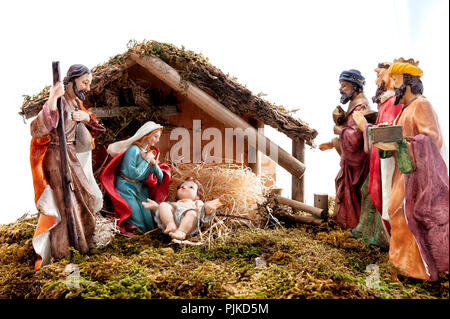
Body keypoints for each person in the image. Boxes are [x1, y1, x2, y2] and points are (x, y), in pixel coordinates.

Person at [374, 58, 448, 281]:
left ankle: (416, 269)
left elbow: (432, 139)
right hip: (404, 172)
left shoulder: (422, 105)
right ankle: (400, 263)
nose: (392, 86)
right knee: (397, 212)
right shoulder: (404, 109)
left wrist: (403, 142)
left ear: (408, 82)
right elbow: (400, 136)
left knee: (405, 214)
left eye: (396, 81)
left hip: (419, 175)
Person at [30, 64, 106, 270]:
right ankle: (64, 251)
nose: (88, 88)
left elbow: (99, 129)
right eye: (85, 82)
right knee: (66, 204)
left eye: (89, 83)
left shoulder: (76, 103)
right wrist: (53, 98)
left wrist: (87, 118)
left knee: (87, 196)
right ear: (72, 81)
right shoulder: (61, 101)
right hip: (56, 157)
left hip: (70, 155)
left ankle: (83, 243)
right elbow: (38, 128)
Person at [350, 62, 403, 249]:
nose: (376, 80)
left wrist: (364, 126)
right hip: (377, 162)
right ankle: (366, 231)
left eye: (380, 75)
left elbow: (388, 135)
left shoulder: (394, 103)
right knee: (368, 190)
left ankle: (379, 237)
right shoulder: (386, 103)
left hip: (386, 163)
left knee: (377, 194)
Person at [319, 69, 371, 230]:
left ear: (356, 87)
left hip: (359, 165)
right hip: (351, 163)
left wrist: (339, 131)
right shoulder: (353, 106)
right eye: (341, 85)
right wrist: (333, 142)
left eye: (344, 85)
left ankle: (352, 226)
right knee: (342, 186)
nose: (341, 89)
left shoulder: (360, 108)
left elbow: (356, 139)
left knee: (350, 193)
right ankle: (347, 225)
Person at [100, 121, 171, 235]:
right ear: (147, 135)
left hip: (140, 188)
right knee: (137, 219)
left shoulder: (148, 153)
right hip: (126, 187)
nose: (157, 141)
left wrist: (153, 163)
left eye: (158, 138)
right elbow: (133, 174)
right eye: (155, 136)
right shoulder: (133, 150)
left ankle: (145, 238)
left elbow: (160, 177)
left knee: (149, 221)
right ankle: (133, 236)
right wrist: (147, 161)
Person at [142, 177, 223, 240]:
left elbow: (202, 213)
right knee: (163, 205)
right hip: (173, 219)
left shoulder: (196, 203)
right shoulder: (175, 204)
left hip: (189, 222)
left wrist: (208, 208)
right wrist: (156, 207)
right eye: (181, 186)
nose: (184, 187)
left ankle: (181, 232)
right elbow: (164, 211)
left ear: (198, 196)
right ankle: (170, 225)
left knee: (193, 213)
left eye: (191, 187)